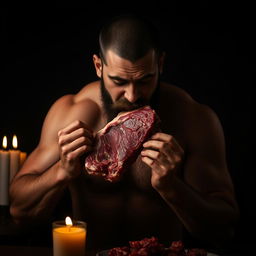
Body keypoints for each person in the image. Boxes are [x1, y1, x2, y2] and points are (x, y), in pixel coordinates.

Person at [9, 14, 239, 252]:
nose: (132, 95)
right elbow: (19, 212)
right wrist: (62, 172)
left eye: (145, 80)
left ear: (160, 64)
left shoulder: (193, 118)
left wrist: (172, 187)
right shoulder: (71, 112)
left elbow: (223, 230)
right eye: (119, 81)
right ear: (98, 66)